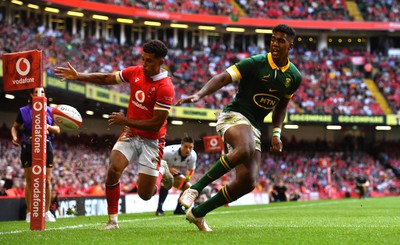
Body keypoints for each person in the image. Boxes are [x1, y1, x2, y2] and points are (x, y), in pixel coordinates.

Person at [175, 24, 302, 232]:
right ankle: (195, 189)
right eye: (272, 39)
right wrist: (200, 94)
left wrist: (277, 132)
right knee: (245, 147)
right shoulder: (256, 62)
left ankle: (197, 213)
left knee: (248, 182)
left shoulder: (294, 77)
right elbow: (223, 77)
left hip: (255, 127)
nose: (275, 44)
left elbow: (281, 107)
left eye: (281, 40)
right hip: (234, 116)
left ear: (291, 45)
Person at [54, 40, 175, 230]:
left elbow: (155, 124)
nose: (144, 64)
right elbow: (106, 78)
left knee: (146, 194)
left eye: (149, 61)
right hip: (130, 134)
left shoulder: (165, 87)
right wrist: (78, 76)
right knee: (113, 170)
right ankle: (112, 221)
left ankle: (161, 170)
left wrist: (125, 120)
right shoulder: (135, 72)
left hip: (152, 141)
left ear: (161, 62)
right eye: (143, 59)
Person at [11, 87, 61, 223]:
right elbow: (15, 127)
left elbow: (57, 129)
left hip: (46, 145)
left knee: (47, 180)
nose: (40, 94)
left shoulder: (51, 111)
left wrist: (48, 127)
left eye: (43, 92)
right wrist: (14, 137)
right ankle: (29, 212)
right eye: (37, 92)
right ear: (31, 95)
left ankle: (46, 211)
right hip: (28, 146)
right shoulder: (23, 111)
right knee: (30, 181)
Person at [156, 137, 197, 216]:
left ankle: (178, 209)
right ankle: (159, 209)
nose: (188, 149)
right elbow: (157, 161)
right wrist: (169, 169)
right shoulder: (168, 151)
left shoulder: (193, 155)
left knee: (188, 186)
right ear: (181, 145)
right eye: (185, 147)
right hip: (160, 169)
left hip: (173, 172)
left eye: (190, 147)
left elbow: (191, 169)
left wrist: (187, 178)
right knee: (167, 182)